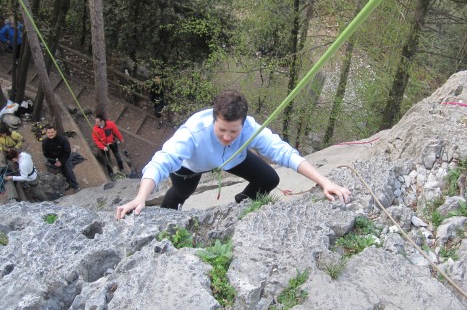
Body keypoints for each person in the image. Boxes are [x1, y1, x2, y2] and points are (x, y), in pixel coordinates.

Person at [116, 90, 351, 220]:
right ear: (213, 120)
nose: (227, 137)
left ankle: (242, 205)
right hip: (192, 167)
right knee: (180, 192)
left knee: (270, 179)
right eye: (221, 130)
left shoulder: (249, 128)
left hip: (232, 159)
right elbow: (162, 160)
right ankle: (166, 217)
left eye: (233, 132)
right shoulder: (194, 132)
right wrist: (141, 197)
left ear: (243, 124)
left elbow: (283, 152)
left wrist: (324, 182)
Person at [42, 125, 80, 191]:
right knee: (62, 172)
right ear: (46, 133)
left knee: (69, 171)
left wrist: (61, 161)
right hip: (54, 160)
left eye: (52, 132)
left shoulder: (62, 139)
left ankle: (75, 186)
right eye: (49, 133)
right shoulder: (45, 142)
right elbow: (46, 154)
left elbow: (67, 151)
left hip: (64, 157)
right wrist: (54, 162)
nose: (50, 134)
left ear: (55, 132)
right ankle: (67, 183)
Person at [92, 113, 125, 178]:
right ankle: (110, 172)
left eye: (98, 122)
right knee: (107, 159)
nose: (96, 123)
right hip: (104, 145)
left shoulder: (110, 124)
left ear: (102, 121)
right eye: (96, 122)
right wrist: (102, 147)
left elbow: (116, 132)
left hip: (113, 142)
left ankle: (122, 169)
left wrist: (121, 138)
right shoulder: (95, 129)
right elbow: (96, 140)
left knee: (118, 156)